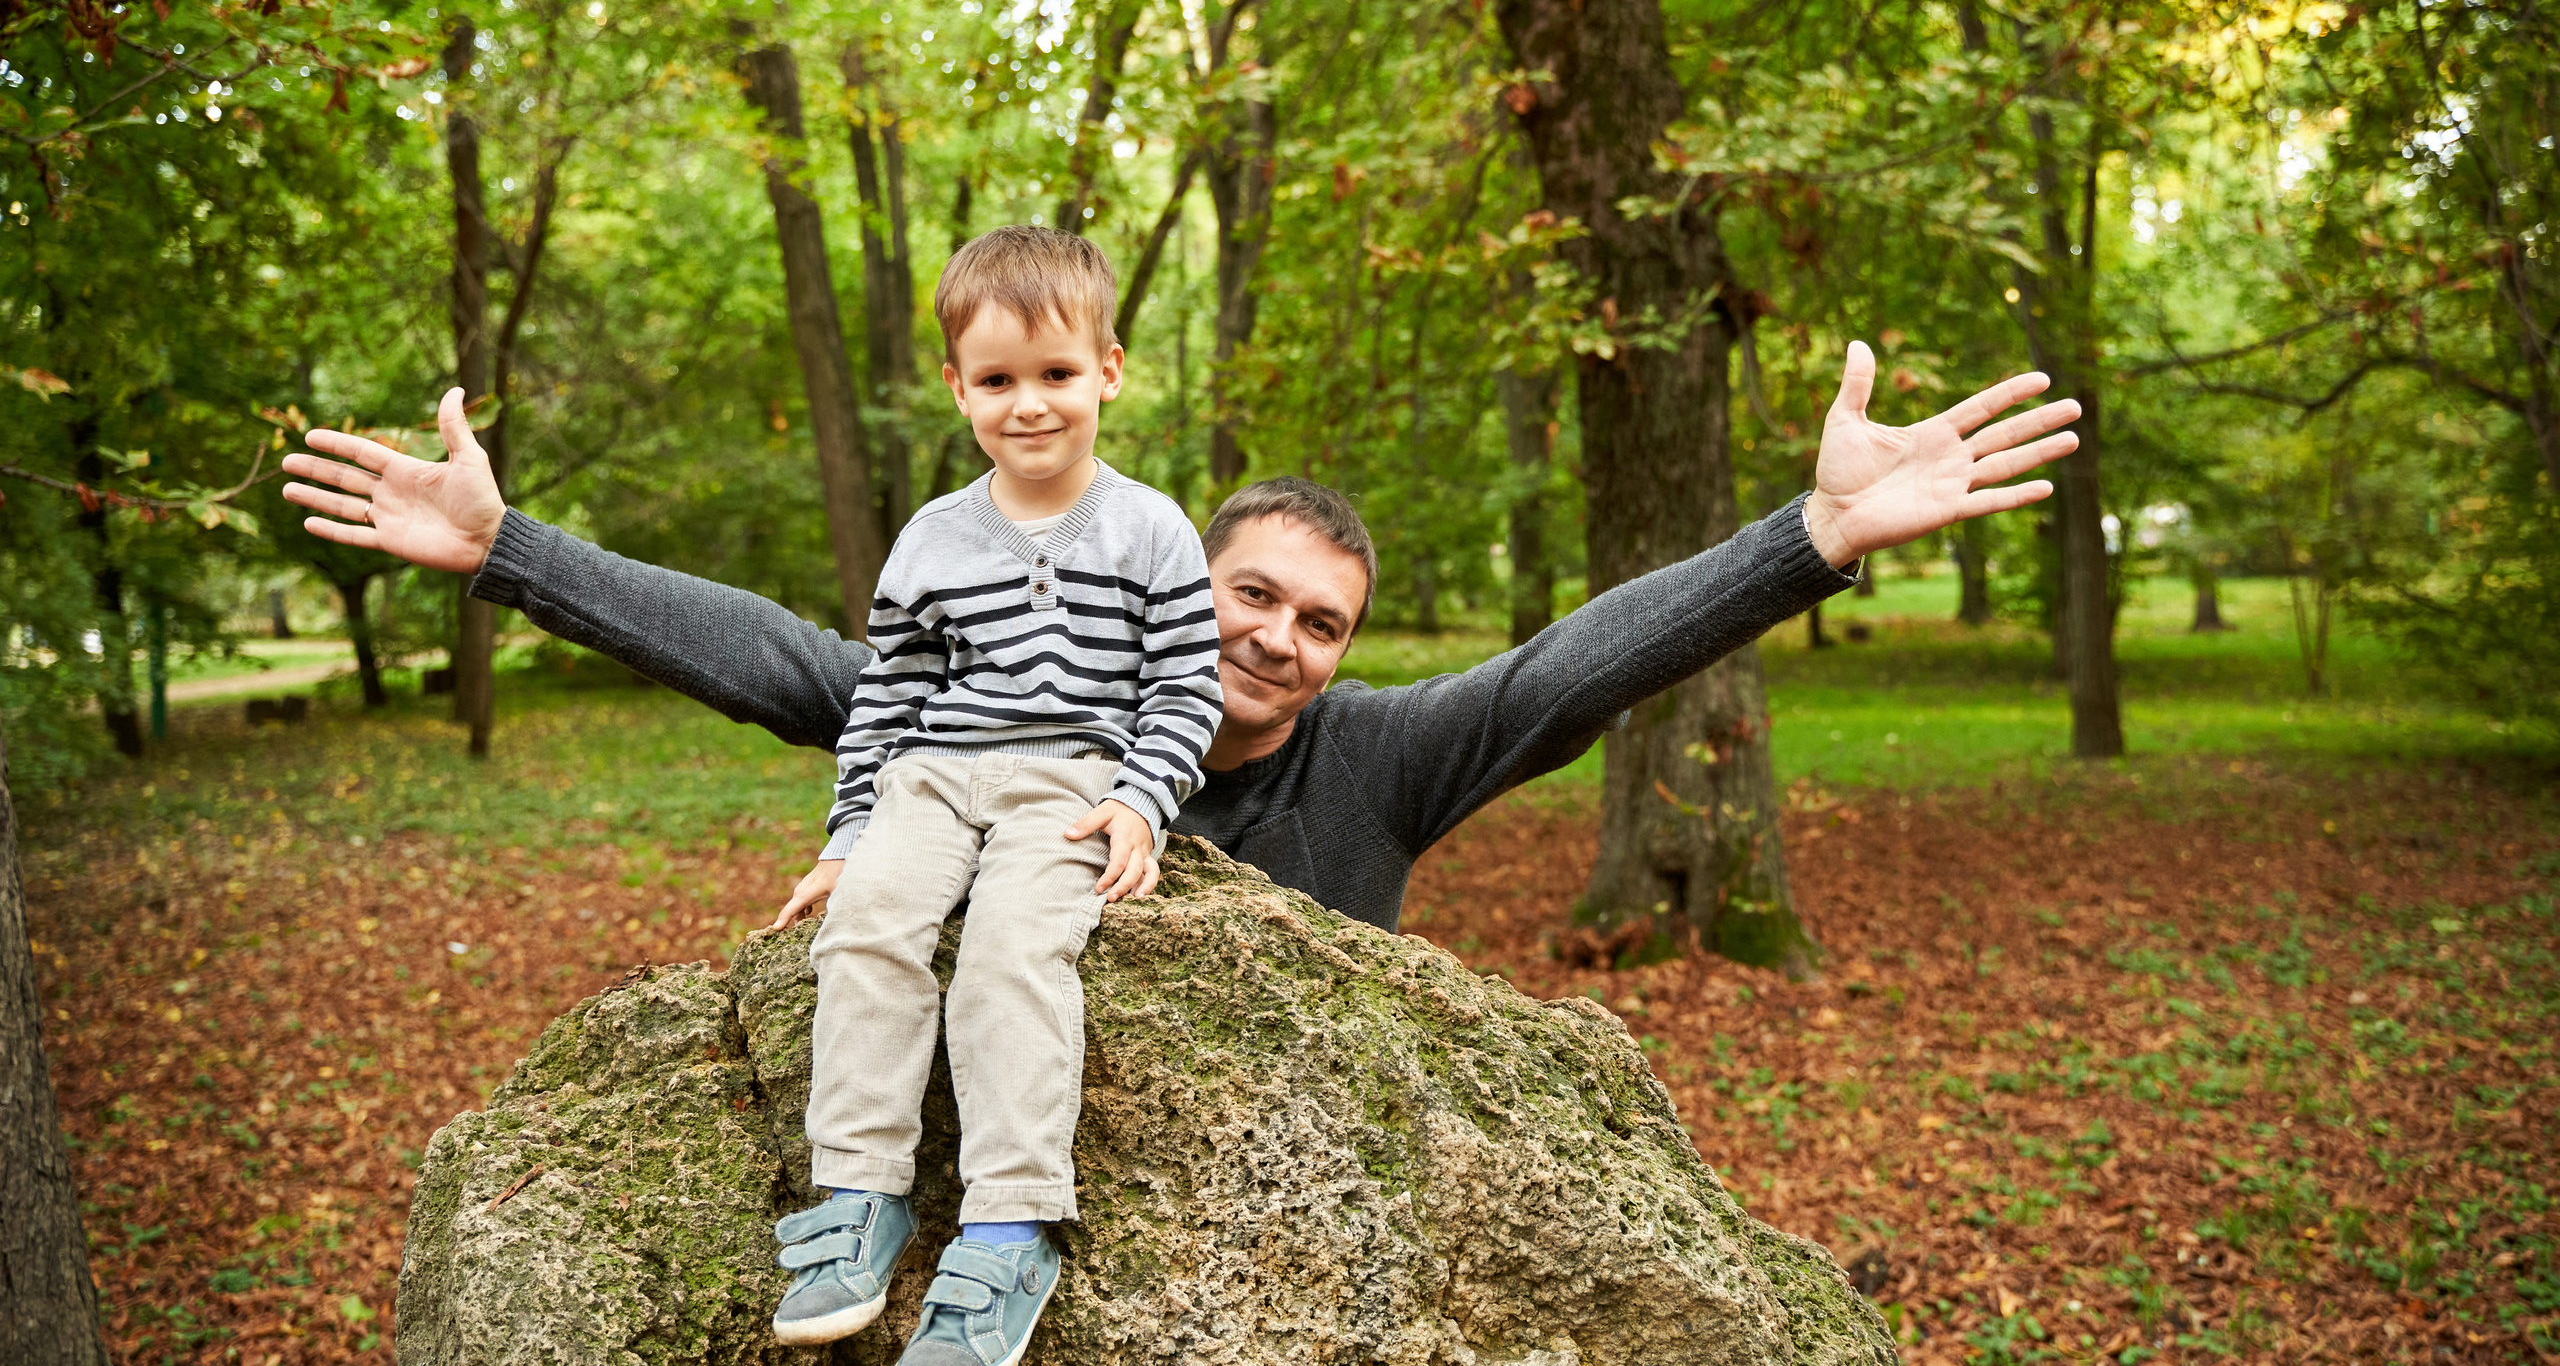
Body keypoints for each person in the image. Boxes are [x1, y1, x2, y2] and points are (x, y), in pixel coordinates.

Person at [284, 346, 2081, 936]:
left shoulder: (1377, 758)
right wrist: (510, 552)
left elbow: (1572, 668)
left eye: (1322, 621)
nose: (1282, 641)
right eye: (1252, 596)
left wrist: (1814, 537)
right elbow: (779, 660)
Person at [754, 227, 1222, 1366]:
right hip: (933, 776)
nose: (1029, 405)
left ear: (1107, 370)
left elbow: (1182, 687)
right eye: (998, 381)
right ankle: (862, 1197)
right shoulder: (931, 539)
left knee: (1012, 953)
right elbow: (889, 699)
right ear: (957, 387)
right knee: (866, 930)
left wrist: (1139, 801)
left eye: (1055, 375)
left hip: (1067, 777)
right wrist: (847, 840)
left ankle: (1011, 1232)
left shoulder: (1151, 528)